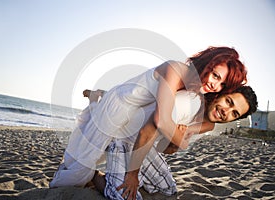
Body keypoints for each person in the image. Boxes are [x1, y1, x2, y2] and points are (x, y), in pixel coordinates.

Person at [49, 46, 247, 188]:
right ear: (207, 64)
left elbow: (165, 137)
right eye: (215, 75)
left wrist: (175, 138)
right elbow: (161, 121)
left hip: (133, 113)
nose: (215, 86)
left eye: (222, 85)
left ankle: (99, 94)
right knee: (79, 169)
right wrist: (182, 141)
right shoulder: (176, 70)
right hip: (118, 106)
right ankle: (98, 97)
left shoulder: (194, 94)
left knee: (98, 155)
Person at [101, 86, 258, 200]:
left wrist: (174, 143)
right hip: (125, 135)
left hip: (145, 147)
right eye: (228, 101)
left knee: (168, 189)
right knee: (123, 195)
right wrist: (132, 175)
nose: (226, 111)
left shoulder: (209, 125)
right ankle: (95, 176)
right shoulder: (190, 101)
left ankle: (119, 176)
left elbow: (164, 149)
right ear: (220, 95)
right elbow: (145, 132)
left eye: (234, 113)